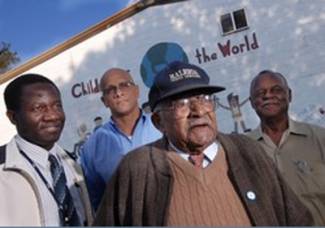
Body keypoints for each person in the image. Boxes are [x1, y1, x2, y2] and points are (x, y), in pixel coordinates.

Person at [93, 61, 312, 226]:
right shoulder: (137, 168)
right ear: (159, 121)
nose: (198, 111)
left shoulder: (247, 150)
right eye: (182, 103)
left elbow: (298, 219)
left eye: (204, 98)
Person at [0, 74, 93, 226]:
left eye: (57, 106)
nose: (52, 115)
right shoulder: (3, 170)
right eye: (38, 108)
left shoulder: (71, 162)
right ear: (13, 117)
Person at [247, 70, 325, 225]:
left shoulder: (319, 139)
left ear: (289, 95)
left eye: (276, 90)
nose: (268, 96)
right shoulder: (244, 149)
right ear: (251, 102)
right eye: (260, 93)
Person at [80, 68, 161, 210]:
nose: (118, 93)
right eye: (110, 90)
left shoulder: (162, 126)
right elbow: (97, 202)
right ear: (104, 101)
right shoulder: (92, 147)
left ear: (137, 91)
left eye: (124, 85)